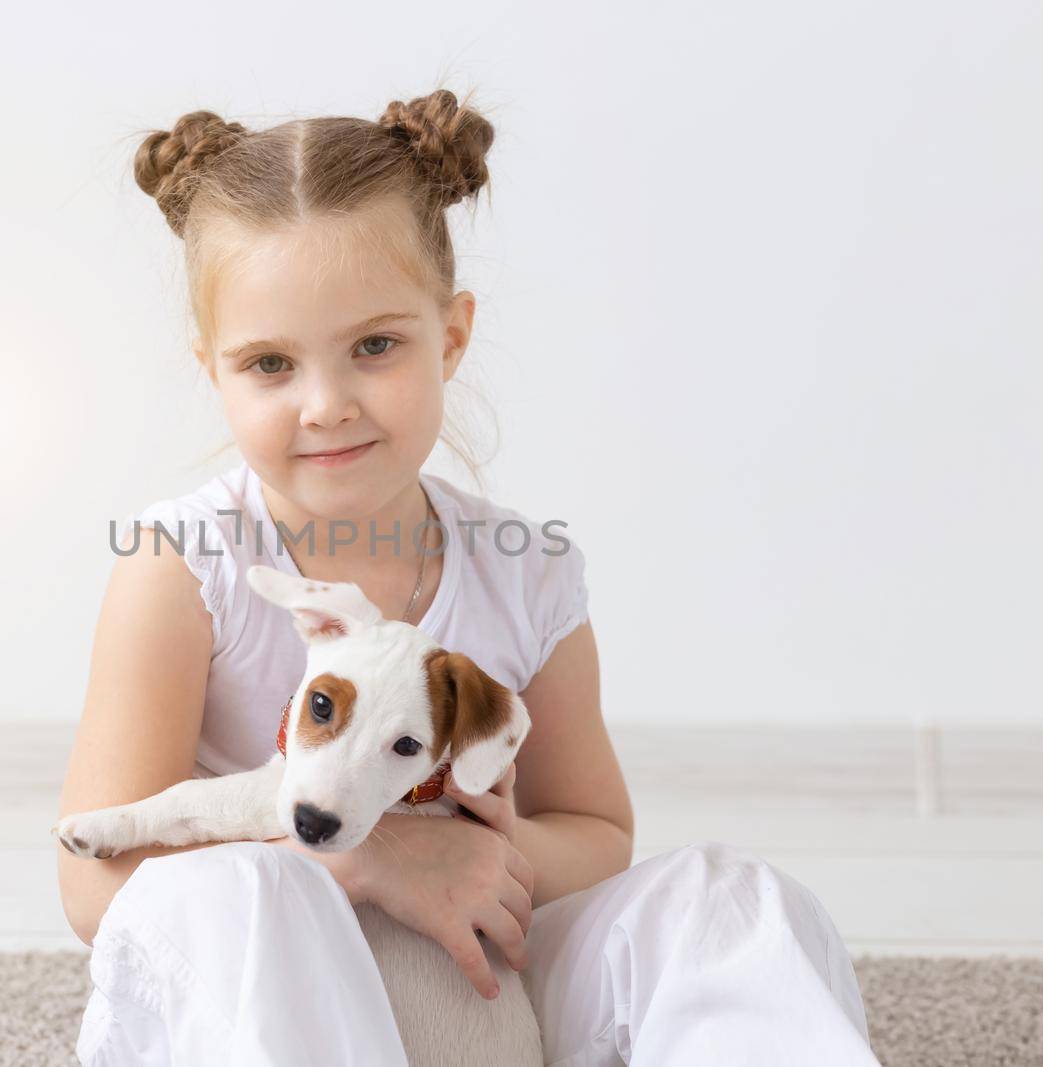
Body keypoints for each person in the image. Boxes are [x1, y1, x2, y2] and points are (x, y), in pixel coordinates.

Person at [56, 88, 882, 1067]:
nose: (325, 404)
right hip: (263, 1002)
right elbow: (98, 889)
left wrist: (472, 854)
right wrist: (366, 857)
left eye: (375, 345)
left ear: (449, 335)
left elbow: (596, 829)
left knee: (724, 896)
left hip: (480, 985)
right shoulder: (184, 566)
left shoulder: (524, 569)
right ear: (214, 372)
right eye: (270, 363)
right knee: (234, 891)